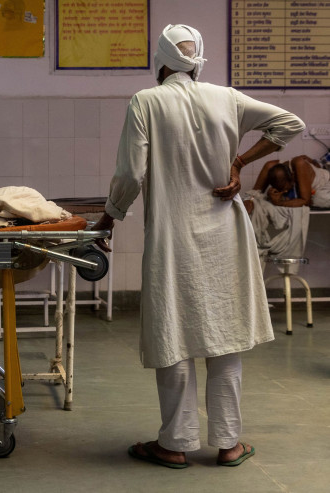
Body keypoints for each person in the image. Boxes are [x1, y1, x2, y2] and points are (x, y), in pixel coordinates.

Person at [90, 24, 305, 468]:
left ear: (161, 61)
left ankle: (175, 443)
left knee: (174, 334)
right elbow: (290, 123)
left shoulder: (147, 101)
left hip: (173, 238)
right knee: (224, 336)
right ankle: (228, 443)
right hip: (225, 235)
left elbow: (130, 174)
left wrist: (110, 217)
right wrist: (239, 161)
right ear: (197, 60)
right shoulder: (227, 98)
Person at [244, 155, 330, 214]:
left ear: (293, 177)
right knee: (262, 202)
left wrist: (279, 203)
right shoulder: (269, 166)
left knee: (319, 199)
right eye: (279, 189)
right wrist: (250, 200)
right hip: (306, 191)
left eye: (285, 188)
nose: (284, 191)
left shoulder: (300, 164)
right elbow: (254, 193)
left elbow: (305, 201)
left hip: (324, 185)